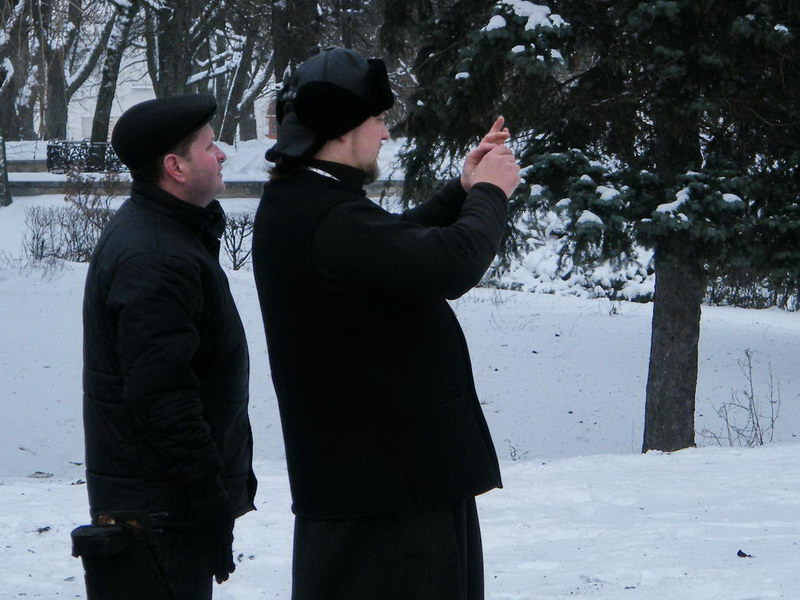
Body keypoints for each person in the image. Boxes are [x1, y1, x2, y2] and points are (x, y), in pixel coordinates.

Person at [252, 47, 520, 599]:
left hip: (384, 494)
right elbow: (450, 263)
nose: (385, 133)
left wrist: (461, 191)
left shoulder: (307, 202)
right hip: (386, 511)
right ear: (343, 127)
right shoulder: (325, 215)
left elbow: (392, 248)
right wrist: (492, 192)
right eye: (378, 119)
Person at [79, 94, 257, 600]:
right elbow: (163, 399)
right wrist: (209, 501)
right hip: (160, 519)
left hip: (161, 509)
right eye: (209, 146)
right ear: (175, 167)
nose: (221, 154)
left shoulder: (166, 236)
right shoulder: (156, 257)